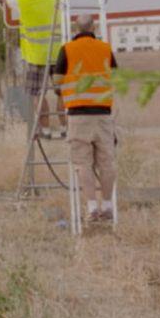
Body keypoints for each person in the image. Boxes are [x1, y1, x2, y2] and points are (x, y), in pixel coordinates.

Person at [54, 14, 117, 222]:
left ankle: (91, 208)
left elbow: (57, 80)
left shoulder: (67, 49)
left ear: (75, 28)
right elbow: (116, 77)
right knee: (107, 163)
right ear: (94, 27)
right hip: (103, 114)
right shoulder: (105, 49)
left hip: (78, 115)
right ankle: (107, 206)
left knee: (83, 164)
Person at [5, 0, 66, 139]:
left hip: (37, 57)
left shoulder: (22, 1)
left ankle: (45, 130)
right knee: (63, 93)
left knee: (38, 94)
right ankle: (65, 127)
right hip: (58, 54)